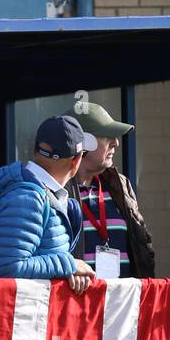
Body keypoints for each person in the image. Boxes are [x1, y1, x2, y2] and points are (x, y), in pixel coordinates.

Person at [0, 115, 94, 293]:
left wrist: (68, 271)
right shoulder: (27, 199)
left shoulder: (40, 194)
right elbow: (9, 268)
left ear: (36, 149)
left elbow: (44, 261)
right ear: (76, 161)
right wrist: (69, 264)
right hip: (21, 318)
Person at [64, 102, 155, 279]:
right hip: (78, 302)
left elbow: (141, 247)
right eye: (107, 137)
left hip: (122, 301)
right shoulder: (57, 190)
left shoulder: (120, 185)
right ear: (84, 142)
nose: (116, 143)